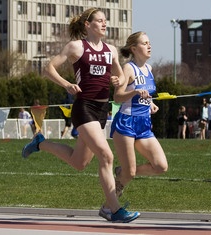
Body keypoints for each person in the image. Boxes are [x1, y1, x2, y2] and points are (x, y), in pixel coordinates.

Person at [21, 8, 140, 223]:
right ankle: (113, 209)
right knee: (106, 156)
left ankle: (40, 143)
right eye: (100, 21)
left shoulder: (110, 50)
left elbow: (121, 78)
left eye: (106, 21)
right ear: (88, 24)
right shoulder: (76, 47)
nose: (105, 24)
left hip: (102, 110)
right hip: (84, 107)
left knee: (79, 162)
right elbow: (49, 68)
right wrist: (67, 84)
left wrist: (118, 81)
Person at [98, 31, 167, 220]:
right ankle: (108, 208)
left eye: (149, 42)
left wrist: (150, 103)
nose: (149, 46)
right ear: (134, 49)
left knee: (161, 166)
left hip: (144, 124)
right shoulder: (128, 69)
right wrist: (135, 92)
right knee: (130, 173)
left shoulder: (150, 69)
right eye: (145, 43)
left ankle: (121, 172)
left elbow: (146, 94)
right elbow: (117, 97)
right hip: (126, 123)